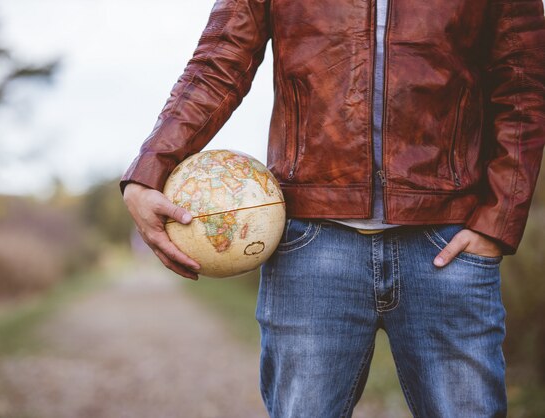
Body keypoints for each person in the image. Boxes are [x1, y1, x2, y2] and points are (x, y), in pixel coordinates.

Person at [121, 0, 545, 416]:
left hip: (448, 242)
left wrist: (497, 221)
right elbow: (219, 62)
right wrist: (149, 167)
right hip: (311, 243)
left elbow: (524, 86)